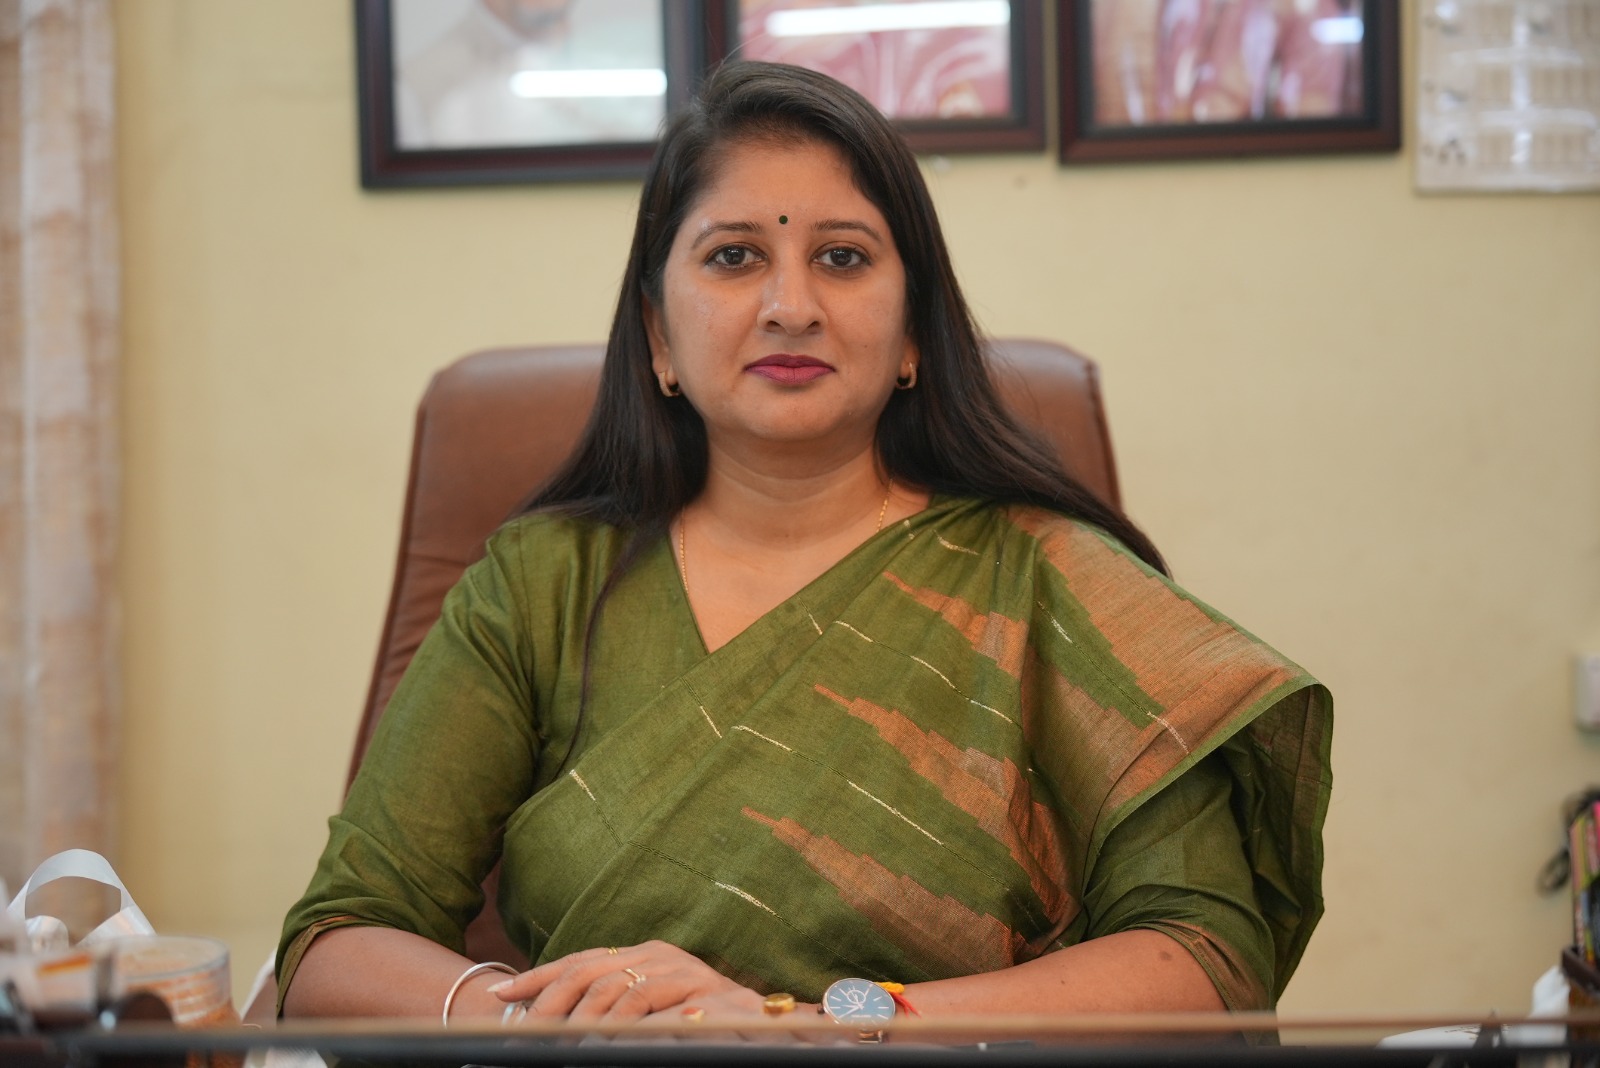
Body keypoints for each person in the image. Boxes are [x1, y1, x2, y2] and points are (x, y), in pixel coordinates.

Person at [277, 60, 1331, 1034]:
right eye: (734, 257)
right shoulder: (542, 586)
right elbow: (337, 941)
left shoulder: (1049, 582)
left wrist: (823, 1026)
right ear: (659, 336)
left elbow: (1205, 957)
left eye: (842, 258)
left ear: (912, 332)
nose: (791, 307)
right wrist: (536, 1023)